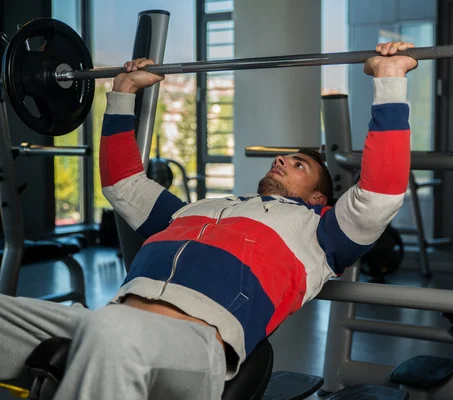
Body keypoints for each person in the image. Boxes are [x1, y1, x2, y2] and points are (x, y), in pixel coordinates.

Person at [0, 41, 417, 399]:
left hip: (194, 347)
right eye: (282, 157)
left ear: (320, 196)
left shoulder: (322, 232)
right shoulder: (196, 209)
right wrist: (123, 90)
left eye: (298, 164)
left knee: (112, 332)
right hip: (106, 319)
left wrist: (389, 78)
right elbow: (122, 183)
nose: (281, 161)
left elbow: (380, 194)